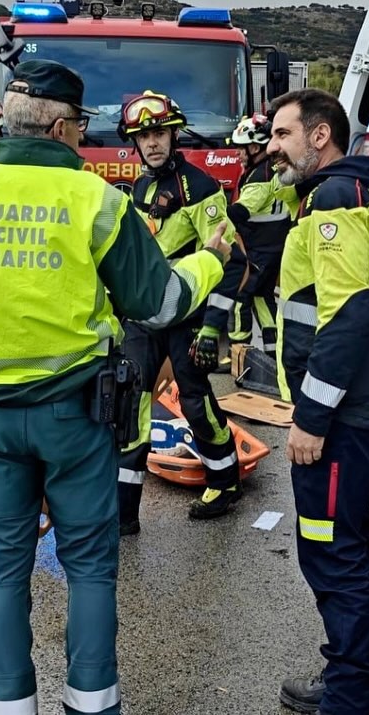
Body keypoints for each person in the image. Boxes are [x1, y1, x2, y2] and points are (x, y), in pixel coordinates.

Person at [0, 59, 230, 715]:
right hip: (77, 418)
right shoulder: (95, 199)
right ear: (63, 126)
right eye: (82, 130)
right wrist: (211, 258)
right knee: (91, 568)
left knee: (2, 571)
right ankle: (91, 706)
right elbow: (157, 305)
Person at [267, 89, 369, 715]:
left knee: (332, 550)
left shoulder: (334, 200)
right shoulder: (357, 193)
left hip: (339, 416)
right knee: (347, 542)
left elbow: (347, 315)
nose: (272, 147)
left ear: (319, 136)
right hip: (358, 407)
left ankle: (349, 698)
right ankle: (351, 682)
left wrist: (310, 417)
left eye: (281, 134)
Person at [116, 90, 248, 533]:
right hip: (144, 315)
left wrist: (213, 328)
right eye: (143, 136)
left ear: (174, 135)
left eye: (159, 133)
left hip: (189, 314)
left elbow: (234, 260)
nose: (152, 143)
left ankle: (225, 480)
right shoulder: (139, 187)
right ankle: (124, 510)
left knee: (194, 400)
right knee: (128, 400)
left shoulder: (201, 189)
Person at [226, 113, 291, 358]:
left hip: (257, 249)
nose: (238, 154)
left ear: (254, 147)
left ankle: (238, 354)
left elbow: (241, 212)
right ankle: (274, 352)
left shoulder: (259, 178)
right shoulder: (273, 168)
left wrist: (213, 215)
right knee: (262, 297)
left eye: (241, 149)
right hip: (274, 247)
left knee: (241, 296)